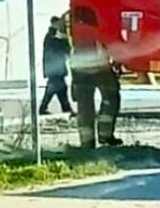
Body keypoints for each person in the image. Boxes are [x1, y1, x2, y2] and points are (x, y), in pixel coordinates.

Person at [69, 11, 122, 147]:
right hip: (100, 67)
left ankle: (87, 141)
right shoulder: (101, 17)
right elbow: (109, 40)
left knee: (84, 106)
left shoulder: (70, 18)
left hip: (79, 69)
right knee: (110, 99)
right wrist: (117, 61)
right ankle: (105, 135)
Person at [38, 16, 73, 115]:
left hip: (54, 68)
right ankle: (45, 108)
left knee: (58, 89)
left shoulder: (51, 36)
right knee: (56, 88)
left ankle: (65, 108)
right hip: (55, 68)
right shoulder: (53, 36)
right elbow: (62, 48)